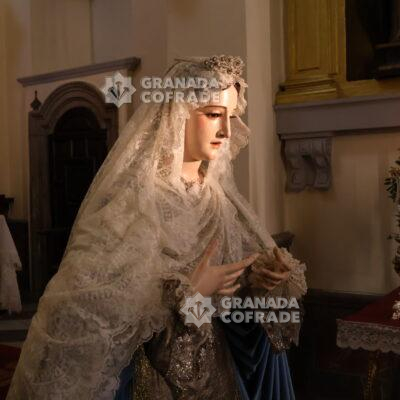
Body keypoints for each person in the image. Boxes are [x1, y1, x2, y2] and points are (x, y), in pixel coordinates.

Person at [6, 55, 307, 400]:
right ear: (178, 113)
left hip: (216, 371)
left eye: (232, 116)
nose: (226, 130)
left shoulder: (222, 202)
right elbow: (88, 310)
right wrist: (190, 295)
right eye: (213, 114)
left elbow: (228, 310)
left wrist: (258, 282)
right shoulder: (135, 202)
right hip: (149, 380)